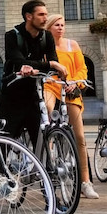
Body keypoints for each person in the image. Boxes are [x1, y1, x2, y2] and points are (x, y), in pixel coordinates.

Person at [0, 0, 64, 214]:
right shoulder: (12, 35)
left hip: (33, 97)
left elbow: (53, 61)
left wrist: (47, 66)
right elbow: (16, 60)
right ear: (28, 16)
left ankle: (52, 198)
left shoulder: (46, 36)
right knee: (0, 147)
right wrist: (49, 65)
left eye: (45, 14)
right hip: (12, 99)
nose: (45, 18)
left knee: (42, 151)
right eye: (41, 14)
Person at [43, 14, 99, 199]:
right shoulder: (43, 46)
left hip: (71, 89)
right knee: (49, 114)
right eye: (56, 25)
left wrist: (76, 81)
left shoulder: (72, 45)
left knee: (80, 136)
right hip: (50, 86)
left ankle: (85, 182)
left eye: (62, 25)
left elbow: (82, 68)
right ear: (49, 27)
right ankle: (49, 156)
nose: (60, 28)